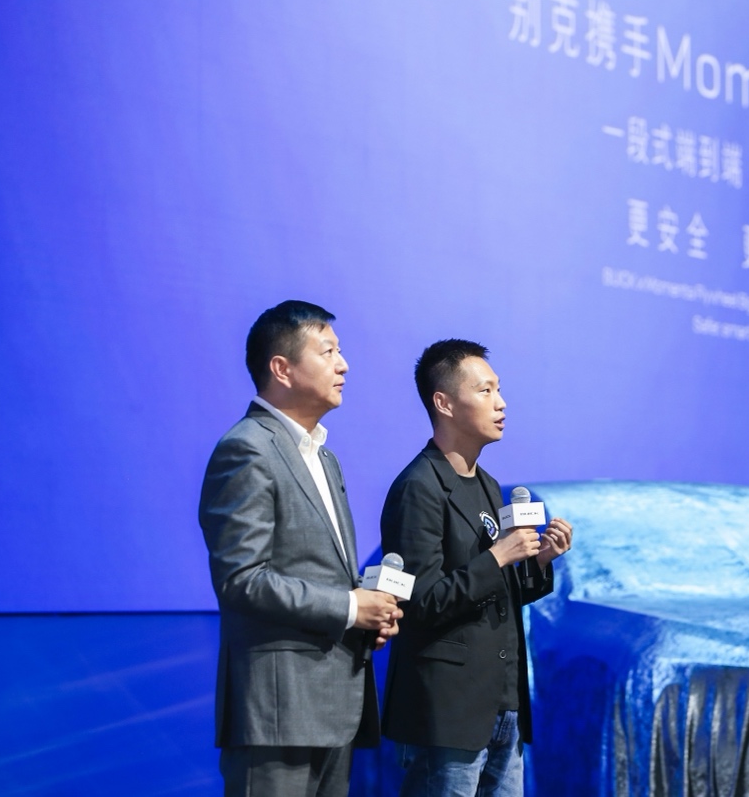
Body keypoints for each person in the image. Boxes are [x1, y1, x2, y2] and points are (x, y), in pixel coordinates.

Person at [199, 300, 402, 797]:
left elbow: (323, 571)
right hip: (277, 709)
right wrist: (350, 607)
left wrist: (368, 615)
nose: (343, 365)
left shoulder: (324, 457)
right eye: (328, 351)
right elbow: (242, 579)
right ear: (282, 369)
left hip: (335, 703)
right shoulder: (247, 448)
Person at [380, 339, 573, 797]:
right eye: (485, 391)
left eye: (498, 389)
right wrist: (499, 556)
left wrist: (539, 561)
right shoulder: (418, 487)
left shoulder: (487, 484)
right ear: (444, 403)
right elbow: (421, 602)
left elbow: (492, 590)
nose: (500, 403)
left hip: (502, 706)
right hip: (447, 714)